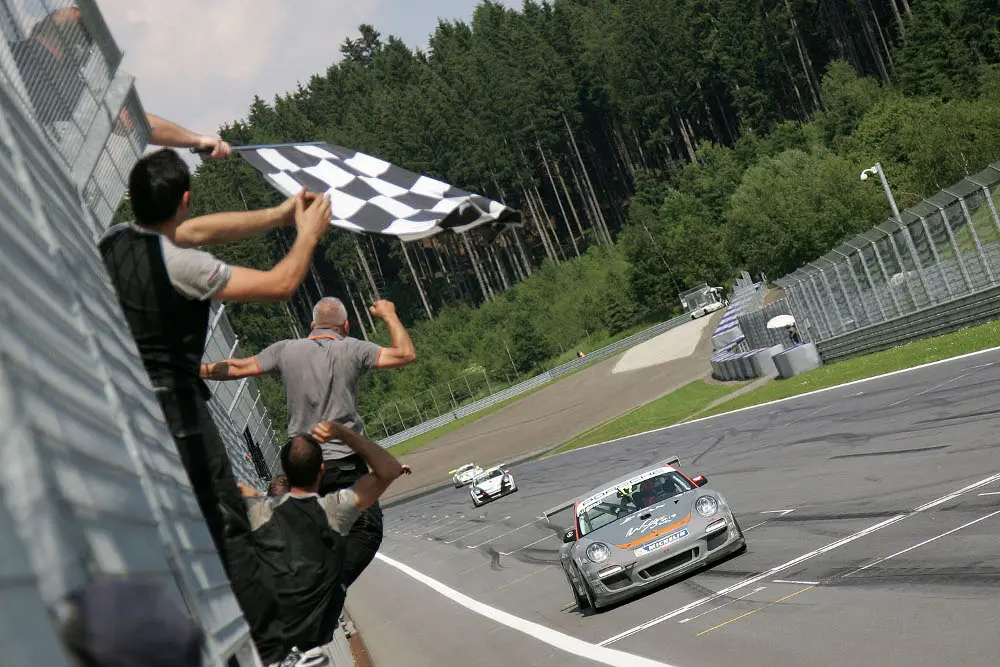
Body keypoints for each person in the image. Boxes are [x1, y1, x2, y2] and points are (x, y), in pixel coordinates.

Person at [99, 147, 332, 667]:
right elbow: (280, 284)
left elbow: (199, 229)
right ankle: (274, 654)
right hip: (176, 410)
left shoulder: (114, 240)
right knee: (226, 527)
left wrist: (278, 213)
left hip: (121, 405)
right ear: (183, 200)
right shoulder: (183, 266)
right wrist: (307, 233)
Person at [201, 296, 416, 587]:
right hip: (344, 462)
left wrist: (196, 370)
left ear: (311, 325)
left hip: (301, 462)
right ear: (346, 325)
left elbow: (237, 368)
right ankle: (330, 589)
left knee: (309, 530)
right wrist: (388, 314)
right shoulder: (353, 347)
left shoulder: (285, 349)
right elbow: (405, 355)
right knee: (365, 529)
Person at [241, 421, 411, 655]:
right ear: (321, 471)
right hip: (307, 631)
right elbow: (388, 469)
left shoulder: (259, 511)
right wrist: (341, 432)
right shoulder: (333, 510)